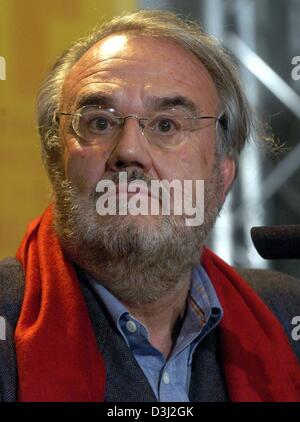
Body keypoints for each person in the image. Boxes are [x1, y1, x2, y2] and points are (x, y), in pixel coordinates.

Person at [0, 9, 299, 403]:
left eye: (166, 125)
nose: (128, 151)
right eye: (99, 123)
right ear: (55, 162)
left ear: (223, 173)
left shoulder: (285, 313)